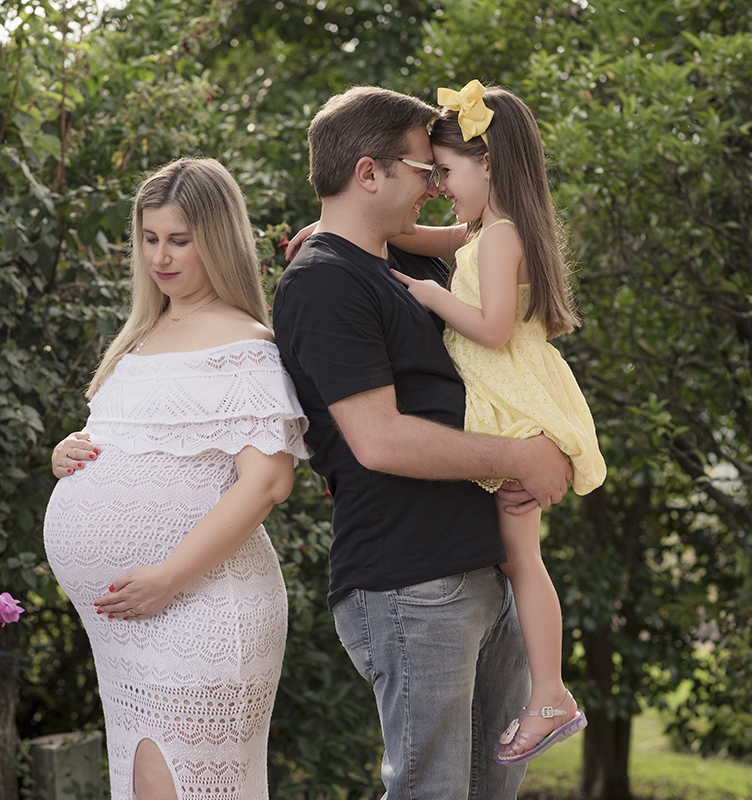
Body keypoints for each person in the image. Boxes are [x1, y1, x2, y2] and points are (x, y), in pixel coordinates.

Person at [271, 85, 572, 800]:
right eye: (422, 170)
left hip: (484, 569)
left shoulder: (419, 271)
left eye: (445, 173)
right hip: (411, 580)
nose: (437, 188)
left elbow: (503, 355)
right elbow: (377, 441)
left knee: (485, 792)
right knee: (430, 791)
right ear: (369, 172)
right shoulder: (324, 284)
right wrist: (518, 457)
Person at [44, 157, 308, 800]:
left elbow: (266, 483)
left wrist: (168, 576)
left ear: (216, 239)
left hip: (201, 605)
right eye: (150, 238)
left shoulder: (245, 344)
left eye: (180, 240)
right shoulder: (143, 335)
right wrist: (69, 453)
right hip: (129, 628)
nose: (161, 257)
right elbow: (131, 442)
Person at [385, 80, 605, 766]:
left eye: (447, 172)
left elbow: (491, 327)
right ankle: (547, 690)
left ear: (489, 165)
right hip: (512, 398)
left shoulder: (499, 237)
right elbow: (414, 232)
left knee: (523, 558)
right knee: (517, 557)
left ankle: (549, 694)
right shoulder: (489, 231)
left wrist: (425, 292)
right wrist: (334, 231)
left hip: (513, 404)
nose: (442, 186)